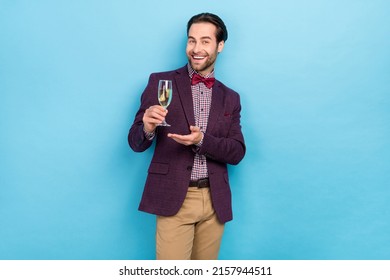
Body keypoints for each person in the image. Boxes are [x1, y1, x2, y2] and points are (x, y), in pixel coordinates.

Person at [128, 12, 246, 260]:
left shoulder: (231, 97)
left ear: (220, 45)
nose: (196, 48)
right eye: (191, 40)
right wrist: (148, 128)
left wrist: (201, 141)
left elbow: (237, 152)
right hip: (173, 198)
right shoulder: (161, 82)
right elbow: (135, 143)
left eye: (205, 41)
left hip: (215, 201)